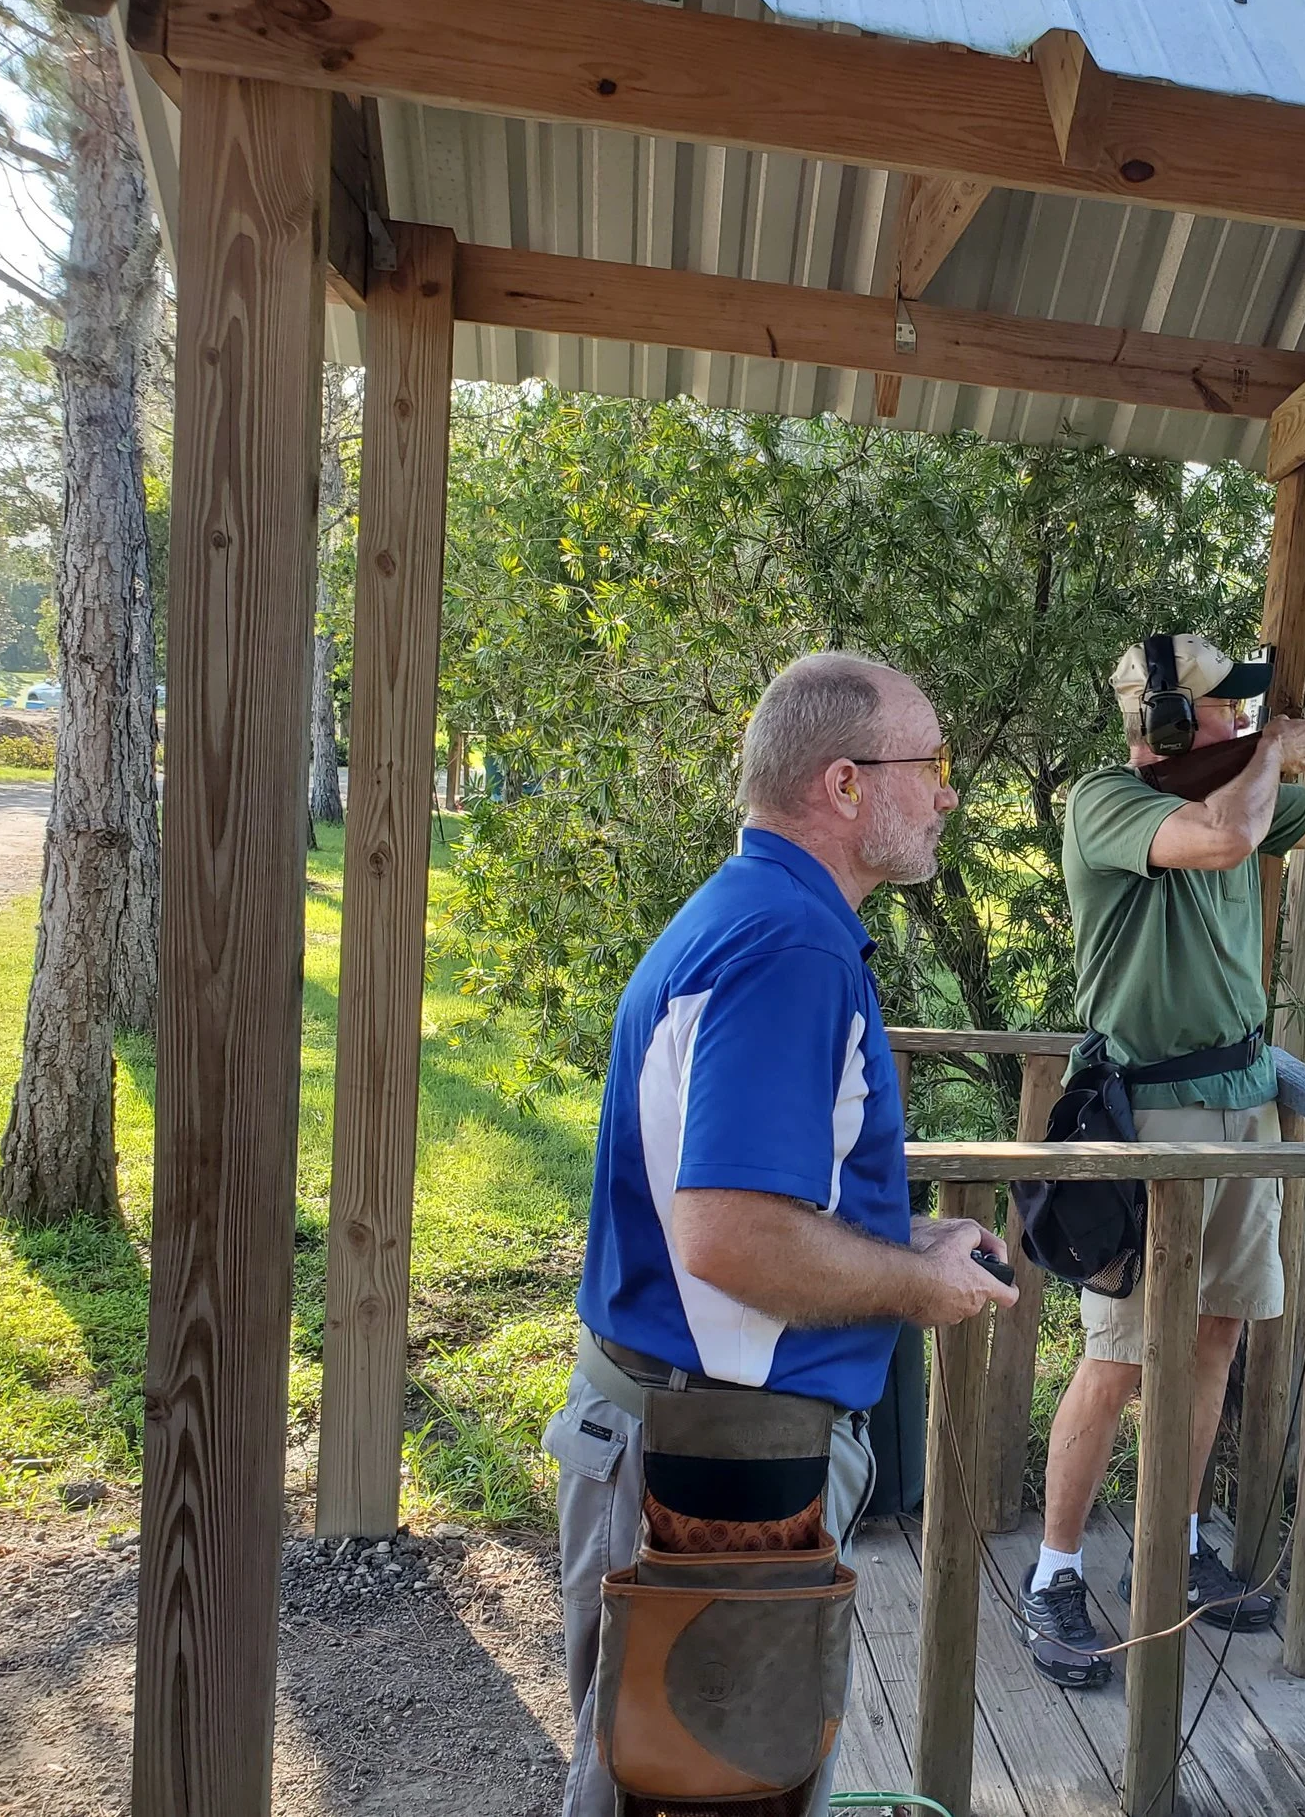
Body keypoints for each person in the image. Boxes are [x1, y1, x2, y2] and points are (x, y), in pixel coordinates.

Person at [548, 652, 1017, 1816]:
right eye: (935, 765)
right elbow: (729, 1237)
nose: (950, 794)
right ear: (846, 785)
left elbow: (741, 1201)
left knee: (666, 1780)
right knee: (710, 1793)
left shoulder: (755, 915)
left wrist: (905, 1243)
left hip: (684, 1426)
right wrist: (918, 1289)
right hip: (720, 1457)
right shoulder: (788, 949)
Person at [1017, 632, 1305, 1689]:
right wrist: (1277, 750)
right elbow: (1222, 841)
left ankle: (1171, 1550)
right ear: (1165, 724)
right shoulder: (1107, 800)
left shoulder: (1246, 784)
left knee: (1217, 1334)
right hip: (1153, 1117)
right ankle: (1054, 1573)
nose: (1240, 725)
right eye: (1225, 712)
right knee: (1120, 1356)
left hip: (1244, 1100)